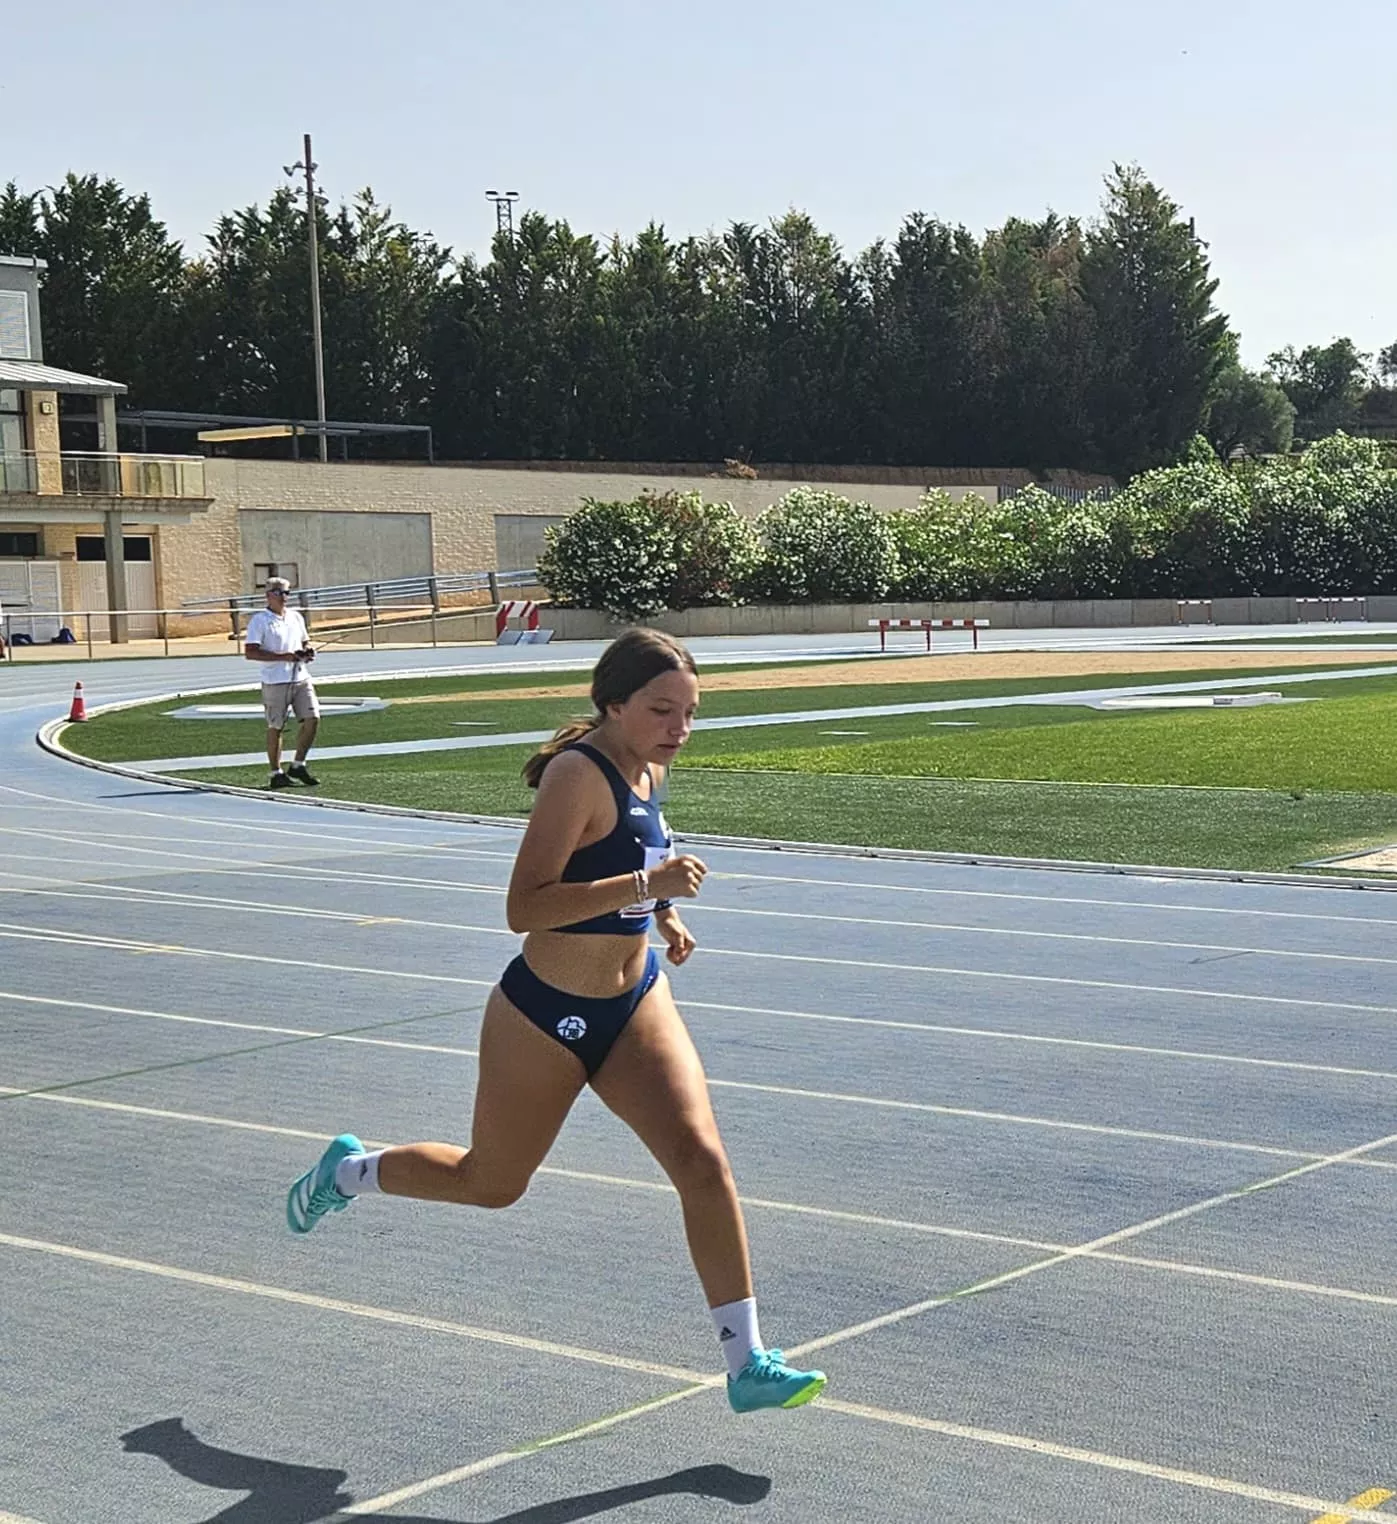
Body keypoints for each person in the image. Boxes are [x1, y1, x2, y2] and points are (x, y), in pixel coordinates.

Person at [285, 628, 827, 1413]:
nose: (679, 727)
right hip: (546, 1015)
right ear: (613, 704)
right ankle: (349, 1171)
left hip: (634, 998)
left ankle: (747, 1365)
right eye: (661, 710)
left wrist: (662, 911)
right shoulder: (577, 774)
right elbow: (525, 907)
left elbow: (630, 855)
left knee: (702, 1161)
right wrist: (647, 880)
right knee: (491, 1184)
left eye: (690, 712)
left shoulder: (647, 764)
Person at [243, 578, 320, 790]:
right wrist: (283, 657)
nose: (284, 597)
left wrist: (308, 651)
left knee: (312, 719)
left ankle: (298, 764)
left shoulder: (295, 617)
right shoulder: (259, 621)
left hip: (300, 677)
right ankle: (276, 772)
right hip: (275, 681)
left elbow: (304, 641)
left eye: (287, 593)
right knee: (276, 726)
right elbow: (250, 652)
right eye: (279, 593)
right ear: (268, 595)